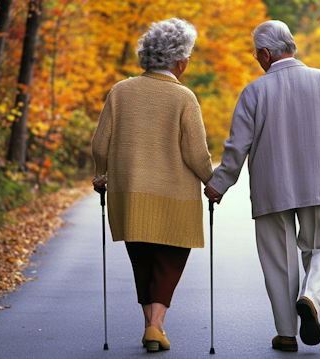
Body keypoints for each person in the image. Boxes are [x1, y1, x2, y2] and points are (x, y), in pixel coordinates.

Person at [204, 20, 320, 352]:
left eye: (256, 55)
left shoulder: (254, 91)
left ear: (265, 54)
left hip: (272, 188)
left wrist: (219, 184)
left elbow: (236, 147)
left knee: (279, 260)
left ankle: (287, 334)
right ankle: (311, 297)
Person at [91, 18, 213, 353]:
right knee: (170, 258)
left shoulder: (120, 90)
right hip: (175, 196)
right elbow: (196, 153)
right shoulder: (183, 97)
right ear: (180, 62)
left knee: (142, 258)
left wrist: (101, 175)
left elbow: (100, 144)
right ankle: (155, 327)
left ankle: (151, 328)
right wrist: (212, 182)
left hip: (129, 194)